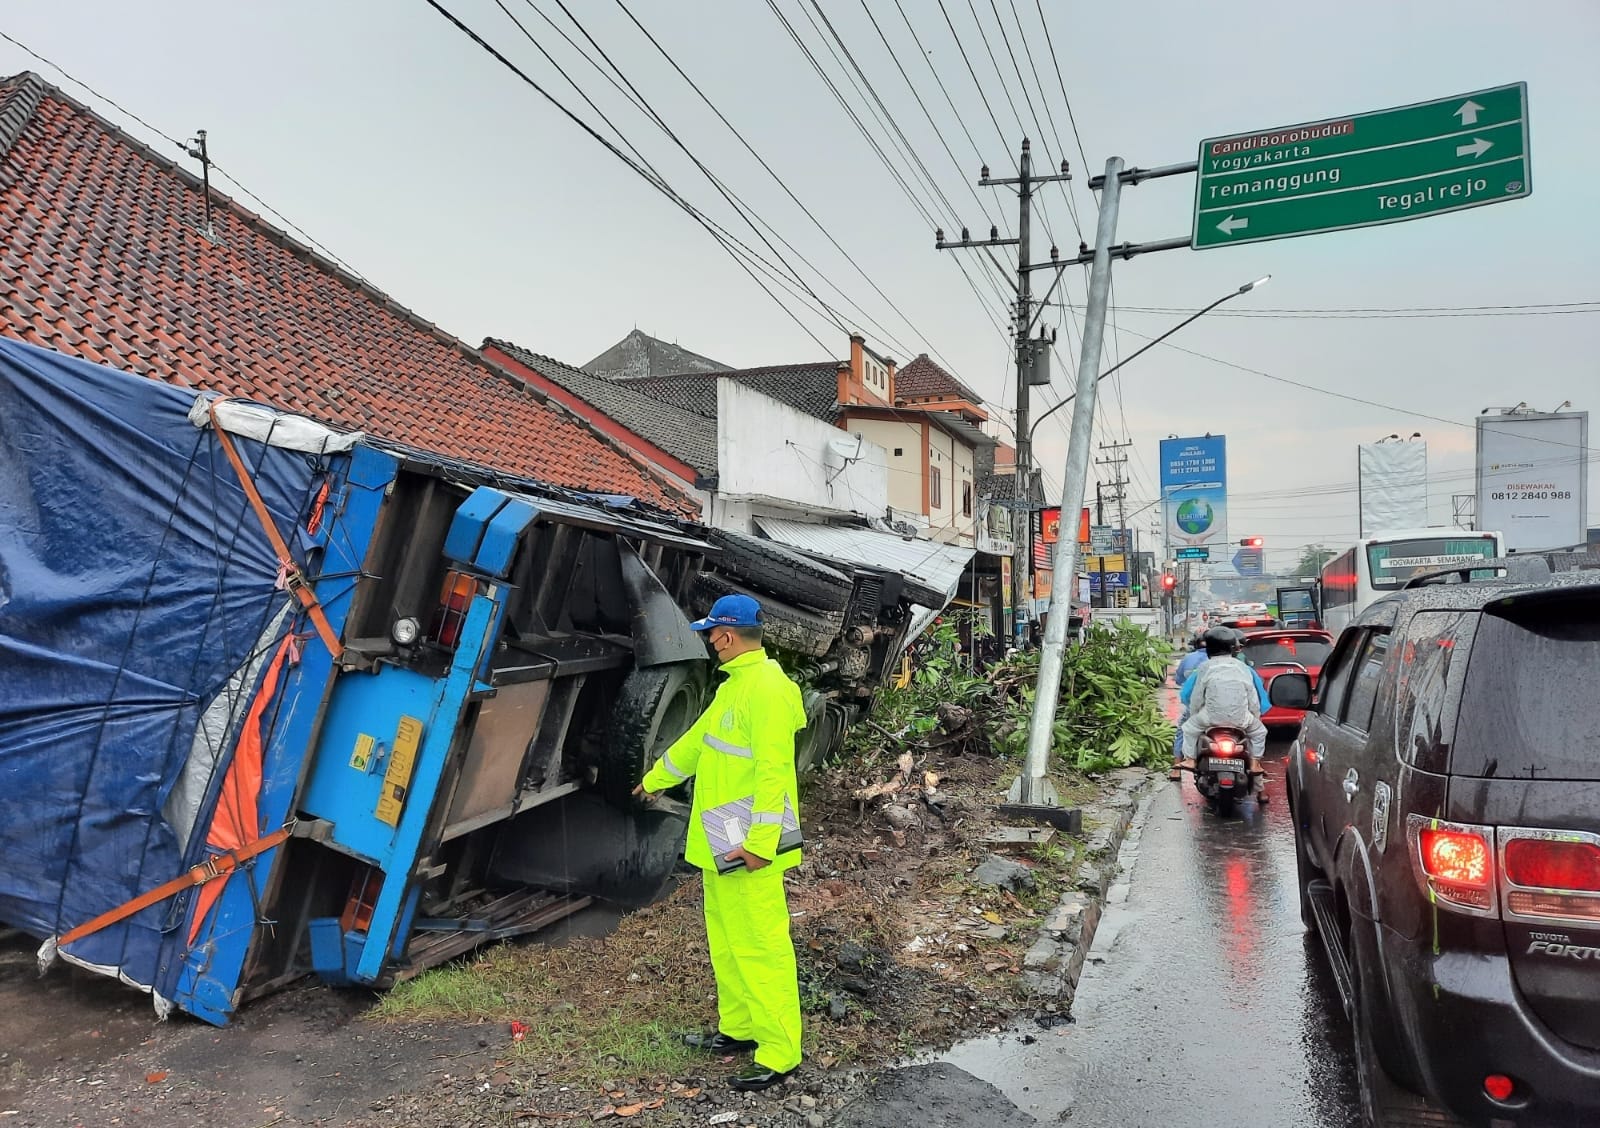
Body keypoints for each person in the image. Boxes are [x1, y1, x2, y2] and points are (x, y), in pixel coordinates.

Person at [633, 593, 807, 1092]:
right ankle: (739, 1030)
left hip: (748, 844)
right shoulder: (736, 687)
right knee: (729, 944)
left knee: (761, 947)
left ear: (727, 636)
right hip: (723, 837)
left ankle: (779, 1051)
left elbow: (775, 775)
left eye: (711, 633)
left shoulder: (767, 692)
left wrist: (761, 844)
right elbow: (697, 740)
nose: (709, 641)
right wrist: (655, 779)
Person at [1179, 627, 1270, 797]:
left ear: (1208, 649)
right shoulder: (1243, 668)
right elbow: (1253, 697)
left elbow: (1197, 696)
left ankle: (1190, 760)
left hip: (1210, 719)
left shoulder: (1205, 667)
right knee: (1259, 733)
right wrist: (1254, 718)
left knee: (1188, 729)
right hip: (1241, 719)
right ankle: (1255, 764)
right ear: (1233, 648)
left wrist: (1195, 715)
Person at [1168, 635, 1211, 780]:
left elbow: (1180, 682)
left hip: (1194, 708)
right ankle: (1258, 779)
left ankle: (1176, 768)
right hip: (1223, 709)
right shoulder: (1235, 664)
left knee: (1182, 731)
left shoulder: (1188, 659)